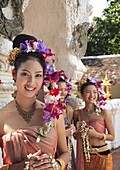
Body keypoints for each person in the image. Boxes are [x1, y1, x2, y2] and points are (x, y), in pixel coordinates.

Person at [0, 37, 70, 170]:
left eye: (38, 75)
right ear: (14, 74)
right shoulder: (2, 116)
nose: (32, 82)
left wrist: (56, 164)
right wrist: (21, 166)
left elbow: (65, 153)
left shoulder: (53, 113)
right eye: (25, 74)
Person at [73, 78, 115, 170]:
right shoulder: (77, 113)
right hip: (85, 156)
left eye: (95, 92)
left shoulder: (103, 113)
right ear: (82, 95)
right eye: (88, 92)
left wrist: (96, 134)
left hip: (102, 155)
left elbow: (112, 137)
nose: (92, 95)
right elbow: (76, 136)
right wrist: (76, 133)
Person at [57, 77, 76, 170]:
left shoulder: (68, 109)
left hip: (67, 147)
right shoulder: (48, 110)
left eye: (65, 90)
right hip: (55, 150)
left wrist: (72, 129)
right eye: (60, 89)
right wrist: (63, 133)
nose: (63, 93)